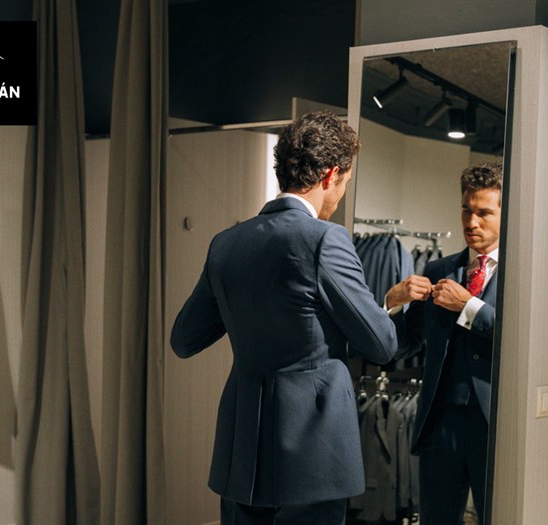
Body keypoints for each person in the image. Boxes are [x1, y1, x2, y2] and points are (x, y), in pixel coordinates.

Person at [170, 111, 398, 525]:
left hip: (242, 455)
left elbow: (183, 340)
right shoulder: (325, 239)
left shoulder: (225, 244)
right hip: (312, 457)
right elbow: (381, 344)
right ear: (330, 175)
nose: (341, 194)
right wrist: (387, 306)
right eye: (345, 182)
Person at [385, 162, 503, 524]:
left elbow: (518, 340)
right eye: (466, 210)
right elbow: (405, 346)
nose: (471, 222)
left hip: (494, 424)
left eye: (484, 213)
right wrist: (393, 304)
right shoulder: (439, 270)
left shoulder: (521, 273)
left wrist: (468, 306)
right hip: (440, 422)